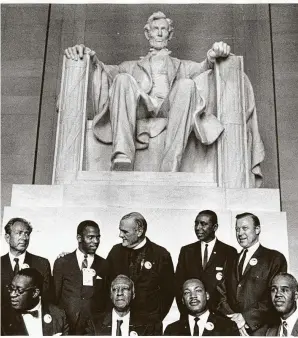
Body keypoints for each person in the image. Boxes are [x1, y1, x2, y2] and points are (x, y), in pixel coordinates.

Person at [64, 11, 231, 172]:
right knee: (122, 79)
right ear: (147, 33)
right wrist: (89, 57)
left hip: (171, 107)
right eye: (155, 29)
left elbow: (204, 68)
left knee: (187, 84)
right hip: (141, 106)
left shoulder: (182, 65)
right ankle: (122, 154)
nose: (159, 33)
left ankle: (171, 163)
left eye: (163, 29)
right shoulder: (129, 66)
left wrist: (213, 54)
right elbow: (103, 71)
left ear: (169, 34)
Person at [217, 212, 287, 336]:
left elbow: (275, 296)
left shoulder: (274, 258)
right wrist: (235, 320)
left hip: (263, 331)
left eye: (245, 228)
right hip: (233, 329)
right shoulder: (231, 260)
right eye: (237, 229)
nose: (239, 233)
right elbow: (221, 293)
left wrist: (246, 317)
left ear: (257, 229)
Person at [106, 212, 175, 328]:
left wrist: (155, 318)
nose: (120, 235)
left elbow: (168, 292)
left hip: (149, 324)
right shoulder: (115, 252)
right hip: (120, 322)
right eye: (120, 230)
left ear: (139, 231)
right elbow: (106, 284)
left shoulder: (161, 255)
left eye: (125, 232)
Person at [53, 220, 109, 335]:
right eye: (91, 237)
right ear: (79, 238)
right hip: (66, 325)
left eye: (98, 237)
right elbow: (55, 296)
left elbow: (106, 298)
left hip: (92, 327)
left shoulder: (104, 264)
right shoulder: (62, 262)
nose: (96, 241)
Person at [175, 210, 237, 313]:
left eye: (203, 224)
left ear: (215, 227)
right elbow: (178, 285)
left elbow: (231, 288)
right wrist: (185, 313)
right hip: (192, 315)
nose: (198, 228)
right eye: (196, 223)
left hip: (219, 316)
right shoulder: (187, 251)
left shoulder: (229, 252)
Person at [86, 274, 162, 335]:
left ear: (133, 295)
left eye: (125, 288)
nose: (119, 293)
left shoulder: (150, 325)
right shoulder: (94, 324)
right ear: (111, 295)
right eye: (115, 289)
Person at [1, 268, 69, 336]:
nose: (12, 294)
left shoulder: (58, 315)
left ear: (35, 293)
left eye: (19, 290)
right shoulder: (2, 316)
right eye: (11, 288)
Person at [1, 218, 52, 307]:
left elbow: (46, 298)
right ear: (7, 237)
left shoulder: (42, 264)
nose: (24, 238)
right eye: (19, 233)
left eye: (27, 233)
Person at [164, 278, 237, 336]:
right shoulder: (171, 330)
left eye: (198, 290)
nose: (193, 296)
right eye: (187, 292)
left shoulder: (228, 327)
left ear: (207, 295)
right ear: (183, 300)